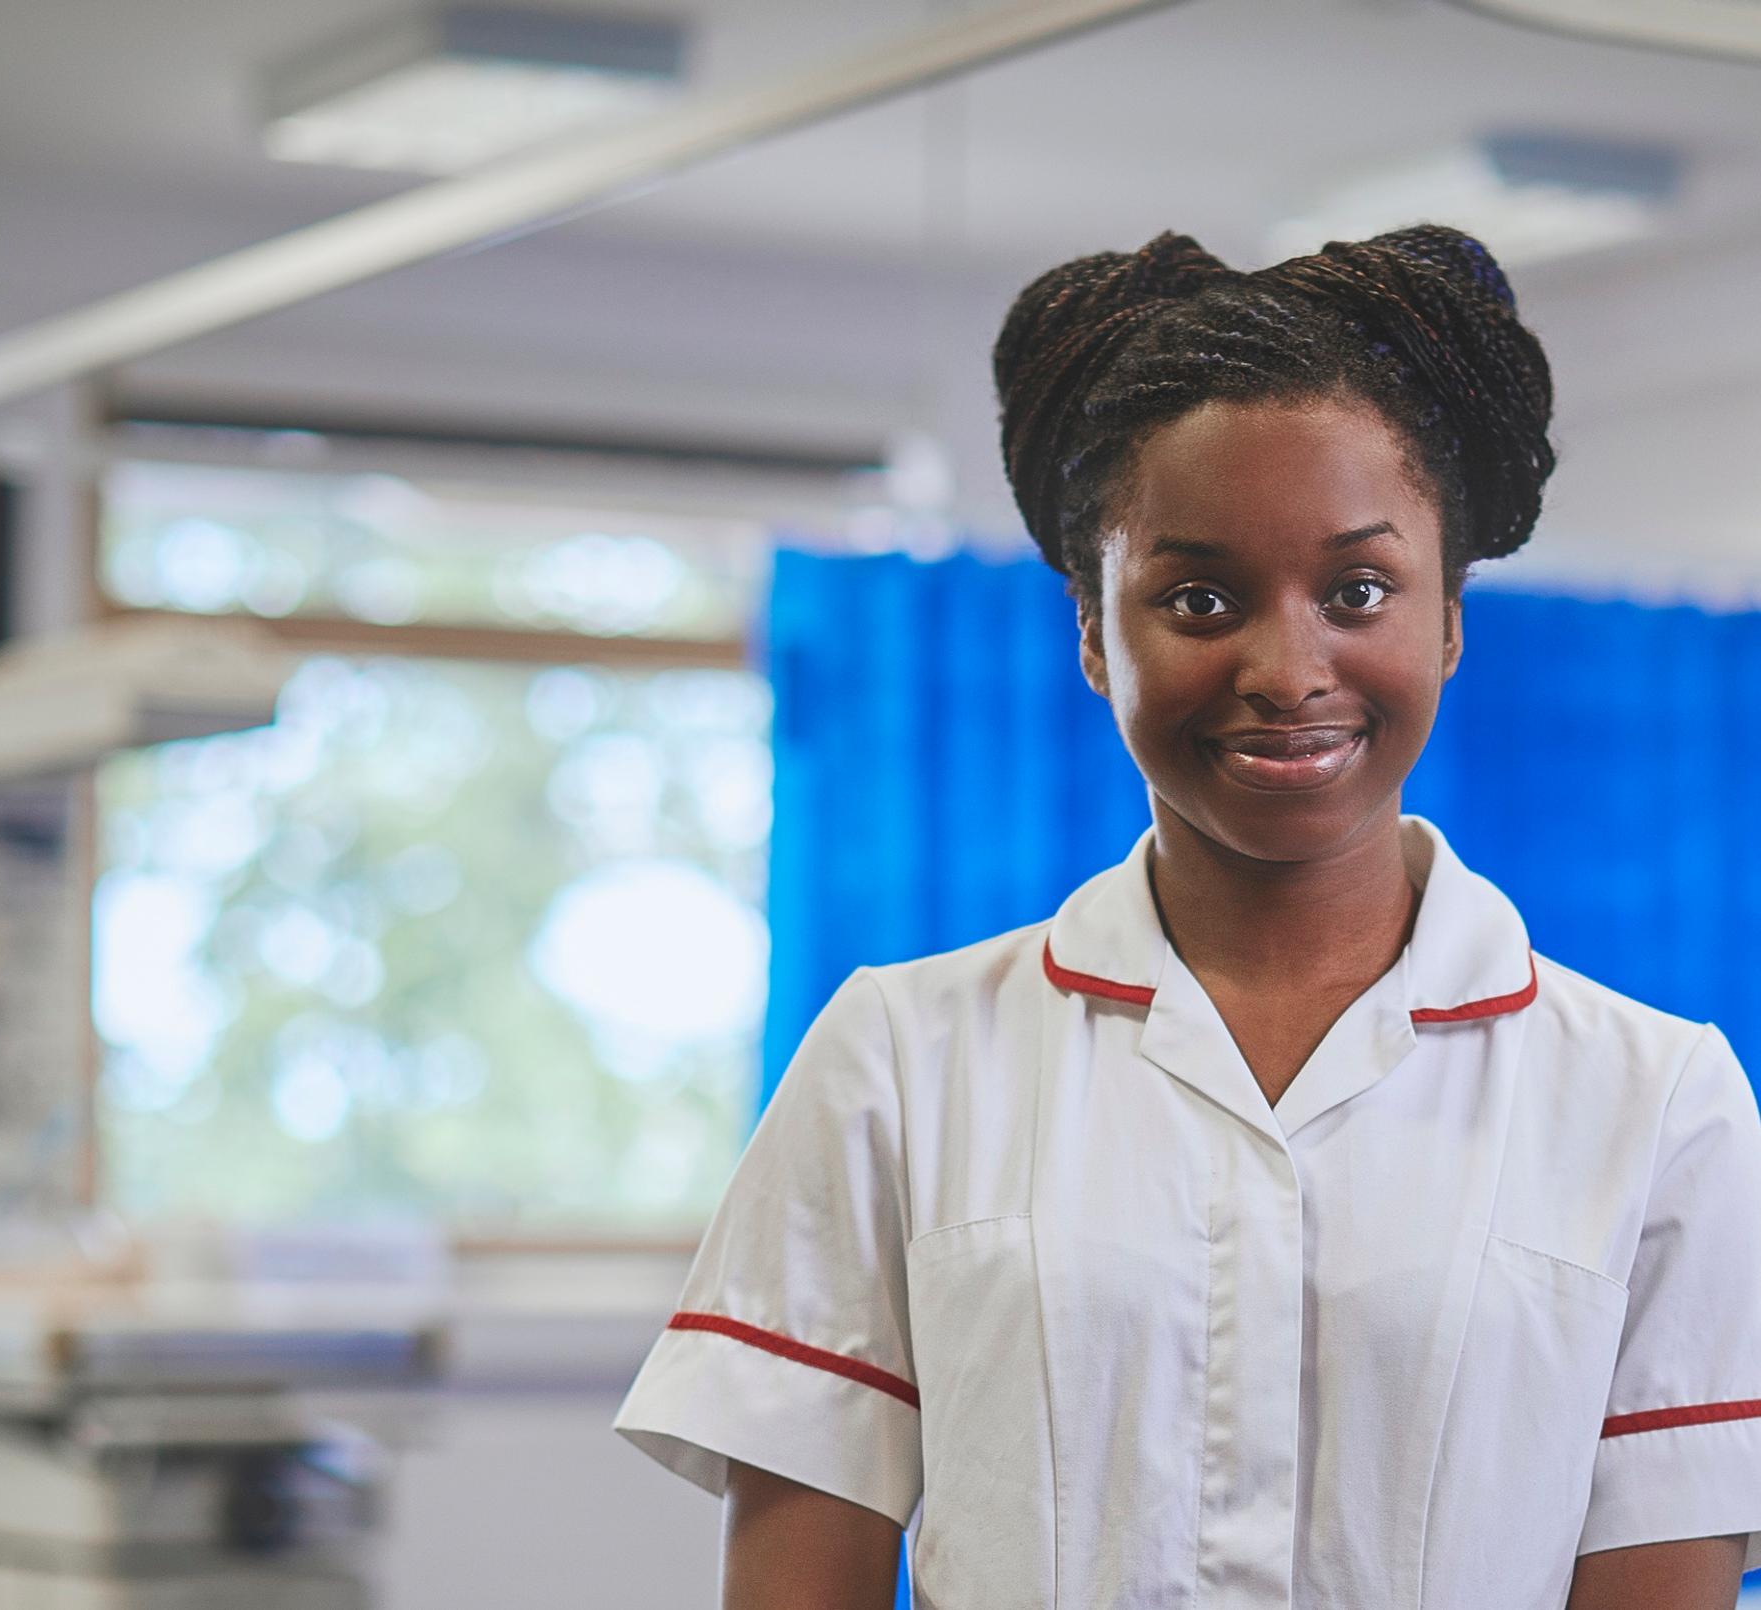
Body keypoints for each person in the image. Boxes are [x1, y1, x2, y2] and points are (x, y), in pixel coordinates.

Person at [611, 225, 1761, 1609]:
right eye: (1199, 596)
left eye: (1358, 590)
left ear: (1448, 619)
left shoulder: (1655, 1100)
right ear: (1096, 633)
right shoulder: (898, 1060)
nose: (1289, 668)